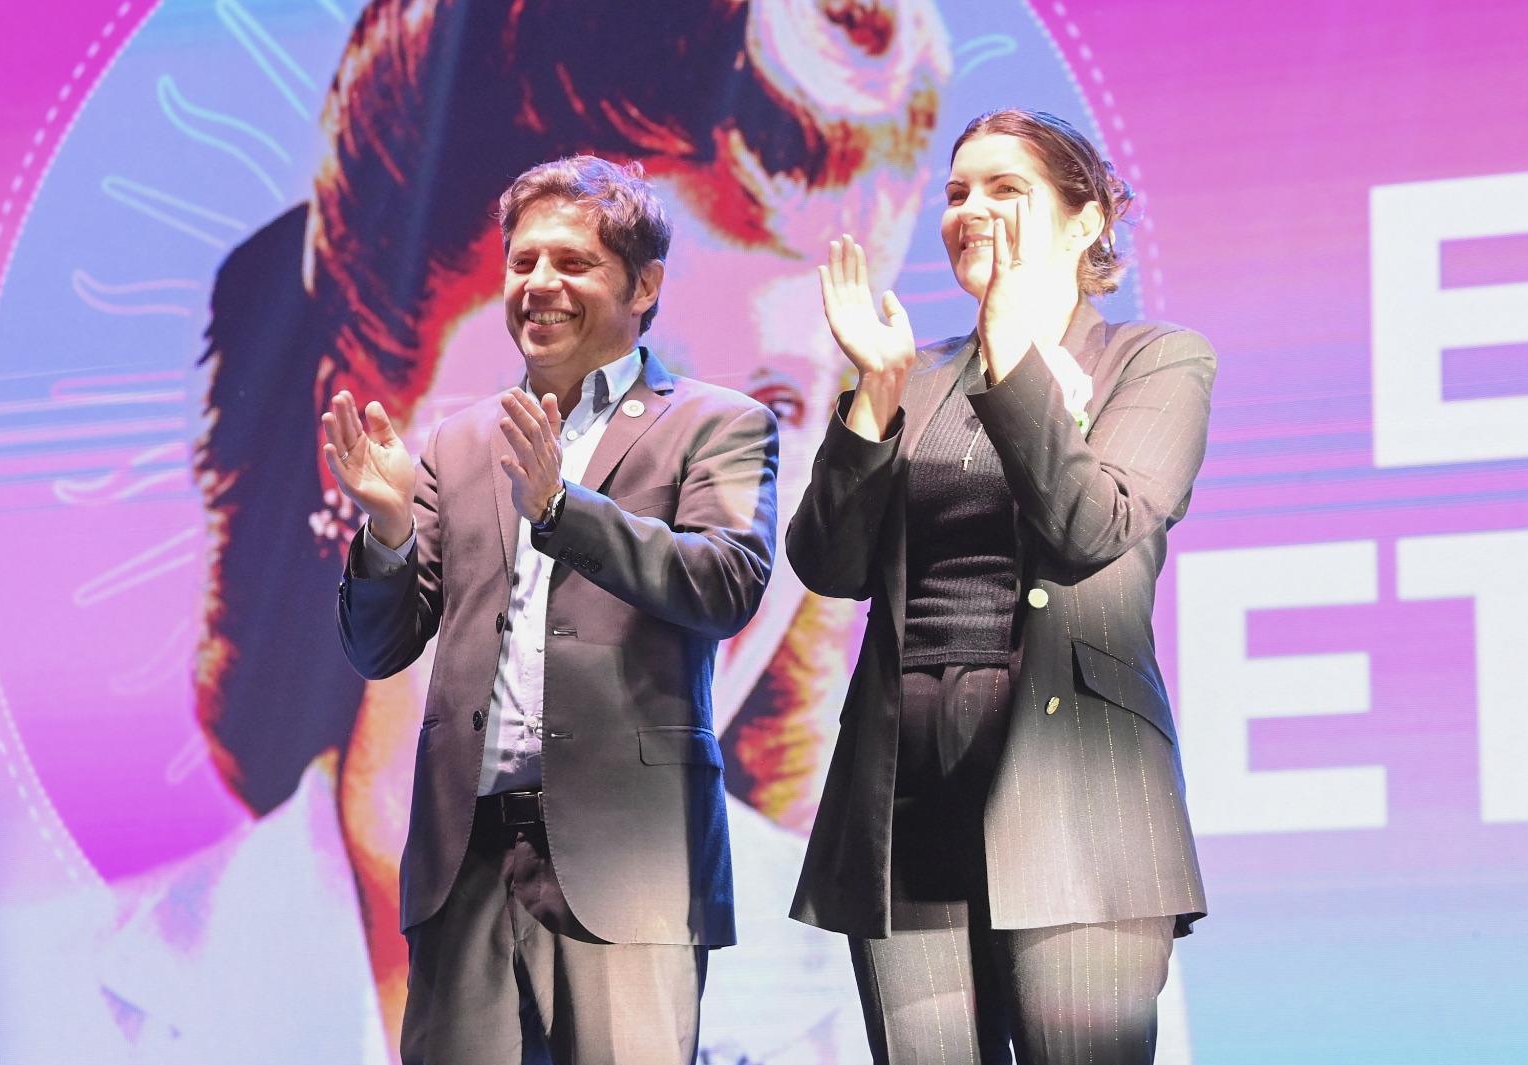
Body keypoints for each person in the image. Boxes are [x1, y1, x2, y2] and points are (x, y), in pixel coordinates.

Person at [325, 154, 778, 1064]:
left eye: (572, 263)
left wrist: (566, 512)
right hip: (468, 861)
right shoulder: (459, 441)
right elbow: (383, 646)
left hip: (631, 860)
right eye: (522, 261)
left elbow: (726, 580)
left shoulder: (715, 422)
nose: (539, 284)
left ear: (644, 285)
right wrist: (383, 531)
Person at [786, 108, 1214, 1064]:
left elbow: (1087, 525)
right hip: (904, 788)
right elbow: (829, 563)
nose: (970, 209)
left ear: (1086, 219)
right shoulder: (916, 371)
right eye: (955, 192)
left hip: (1076, 791)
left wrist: (1016, 357)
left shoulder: (1155, 359)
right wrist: (877, 394)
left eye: (1004, 189)